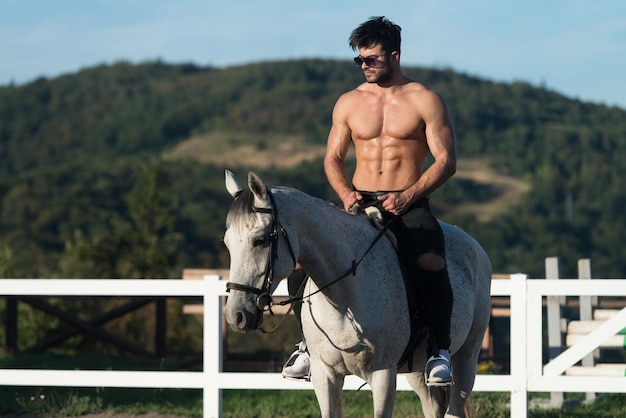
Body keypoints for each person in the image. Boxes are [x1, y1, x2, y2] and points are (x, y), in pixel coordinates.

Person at [282, 16, 456, 386]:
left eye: (372, 59)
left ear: (394, 55)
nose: (365, 66)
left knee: (432, 261)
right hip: (357, 203)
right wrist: (346, 194)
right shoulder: (348, 102)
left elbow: (446, 161)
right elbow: (332, 157)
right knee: (302, 260)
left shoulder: (425, 99)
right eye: (360, 60)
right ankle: (305, 346)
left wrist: (410, 195)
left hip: (409, 201)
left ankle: (439, 351)